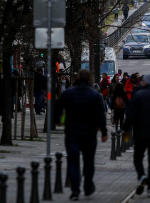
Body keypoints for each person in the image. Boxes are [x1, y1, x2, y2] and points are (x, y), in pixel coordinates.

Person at [55, 69, 107, 200]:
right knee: (89, 161)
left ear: (78, 77)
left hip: (72, 132)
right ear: (89, 79)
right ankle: (88, 184)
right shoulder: (95, 95)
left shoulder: (68, 93)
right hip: (89, 133)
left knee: (73, 162)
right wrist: (104, 132)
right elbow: (101, 115)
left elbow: (58, 107)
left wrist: (57, 120)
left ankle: (75, 190)